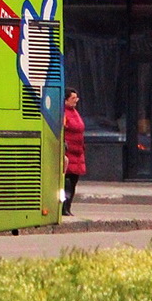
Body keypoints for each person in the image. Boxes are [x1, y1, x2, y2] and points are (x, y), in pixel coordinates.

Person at [63, 88, 86, 216]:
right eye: (73, 98)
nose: (76, 100)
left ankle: (68, 207)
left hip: (77, 154)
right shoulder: (63, 113)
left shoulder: (74, 112)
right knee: (66, 182)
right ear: (65, 100)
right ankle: (64, 208)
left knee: (73, 182)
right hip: (68, 153)